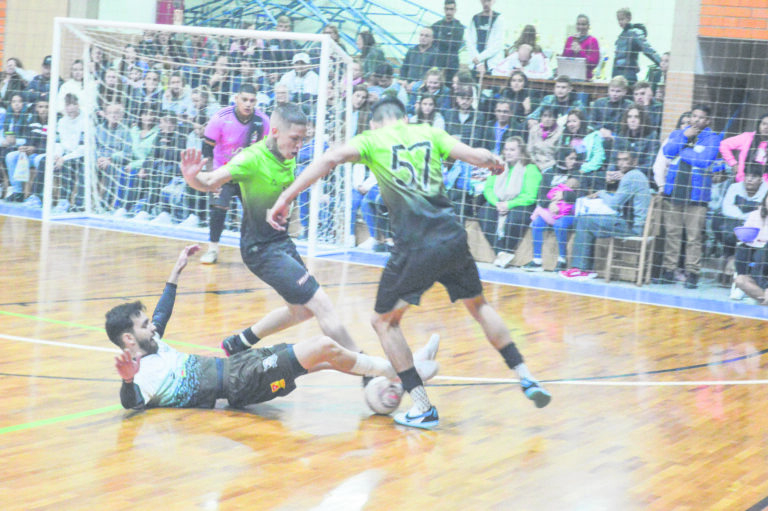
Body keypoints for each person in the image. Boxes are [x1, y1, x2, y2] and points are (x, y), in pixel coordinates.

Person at [266, 97, 552, 429]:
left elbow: (330, 159)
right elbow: (478, 156)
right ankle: (525, 374)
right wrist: (495, 164)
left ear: (374, 123)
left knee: (384, 322)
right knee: (479, 305)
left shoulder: (371, 140)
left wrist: (285, 197)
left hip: (415, 245)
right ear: (405, 117)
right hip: (453, 237)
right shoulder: (429, 132)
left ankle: (422, 406)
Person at [110, 244, 439, 411]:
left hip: (240, 367)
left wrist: (177, 269)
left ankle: (394, 377)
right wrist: (127, 381)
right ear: (129, 338)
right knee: (321, 345)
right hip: (240, 385)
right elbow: (132, 403)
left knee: (325, 359)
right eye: (145, 325)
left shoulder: (154, 344)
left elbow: (163, 311)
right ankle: (405, 374)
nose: (153, 326)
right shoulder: (143, 374)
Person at [180, 103, 375, 370]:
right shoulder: (251, 159)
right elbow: (212, 180)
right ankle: (367, 368)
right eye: (294, 139)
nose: (298, 146)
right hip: (260, 249)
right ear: (274, 132)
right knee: (321, 303)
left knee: (302, 310)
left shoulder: (288, 155)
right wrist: (193, 179)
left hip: (281, 241)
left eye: (302, 139)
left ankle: (239, 342)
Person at [197, 84, 270, 264]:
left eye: (252, 100)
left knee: (254, 213)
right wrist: (210, 177)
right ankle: (213, 249)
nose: (248, 104)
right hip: (224, 171)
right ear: (236, 98)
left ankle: (252, 249)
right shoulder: (221, 117)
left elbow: (267, 152)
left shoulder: (262, 121)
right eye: (244, 99)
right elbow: (207, 148)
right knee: (219, 209)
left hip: (248, 174)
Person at [656, 104, 723, 289]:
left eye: (701, 117)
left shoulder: (712, 139)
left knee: (694, 236)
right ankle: (669, 271)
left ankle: (692, 273)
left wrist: (683, 151)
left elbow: (704, 161)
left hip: (697, 195)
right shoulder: (680, 133)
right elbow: (667, 152)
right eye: (694, 116)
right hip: (675, 190)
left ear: (707, 121)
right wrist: (685, 139)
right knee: (672, 233)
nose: (696, 120)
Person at [559, 150, 651, 281]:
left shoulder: (631, 177)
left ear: (635, 161)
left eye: (625, 160)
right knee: (588, 221)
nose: (621, 163)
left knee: (584, 221)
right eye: (619, 160)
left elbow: (614, 204)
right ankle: (584, 268)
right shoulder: (637, 175)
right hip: (632, 222)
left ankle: (580, 269)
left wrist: (601, 193)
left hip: (632, 227)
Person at [477, 136, 542, 268]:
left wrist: (509, 204)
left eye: (512, 150)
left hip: (521, 204)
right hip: (499, 202)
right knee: (485, 211)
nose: (508, 152)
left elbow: (530, 196)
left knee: (516, 217)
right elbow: (488, 189)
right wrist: (497, 203)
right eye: (506, 149)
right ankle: (501, 252)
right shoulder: (497, 167)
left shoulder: (531, 169)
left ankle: (505, 251)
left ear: (521, 152)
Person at [523, 147, 585, 272]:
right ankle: (537, 260)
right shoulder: (549, 173)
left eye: (575, 159)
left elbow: (582, 195)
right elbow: (541, 196)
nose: (574, 161)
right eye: (570, 158)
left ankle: (562, 259)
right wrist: (550, 204)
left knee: (560, 224)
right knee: (537, 223)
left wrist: (565, 196)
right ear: (562, 158)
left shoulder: (577, 174)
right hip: (551, 210)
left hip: (570, 212)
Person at [733, 194, 768, 304]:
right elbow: (747, 233)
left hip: (763, 252)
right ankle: (764, 297)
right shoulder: (754, 214)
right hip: (754, 247)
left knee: (761, 254)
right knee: (740, 280)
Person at [612, 7, 661, 84]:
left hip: (628, 73)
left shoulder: (635, 33)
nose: (620, 22)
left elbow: (648, 49)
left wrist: (661, 62)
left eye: (622, 19)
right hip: (618, 72)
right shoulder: (622, 35)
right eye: (618, 20)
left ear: (629, 18)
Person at [719, 113, 768, 182]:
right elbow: (724, 144)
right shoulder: (747, 137)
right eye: (764, 124)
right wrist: (733, 163)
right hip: (742, 181)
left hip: (764, 186)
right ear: (759, 125)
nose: (766, 127)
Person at [465, 0, 505, 76]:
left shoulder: (498, 19)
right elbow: (470, 42)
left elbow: (497, 45)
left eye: (488, 1)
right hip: (475, 64)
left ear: (493, 1)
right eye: (484, 1)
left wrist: (480, 58)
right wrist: (478, 63)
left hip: (492, 65)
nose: (486, 4)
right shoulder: (475, 19)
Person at [587, 75, 633, 140]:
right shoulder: (599, 103)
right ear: (608, 90)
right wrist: (600, 129)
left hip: (620, 138)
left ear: (625, 92)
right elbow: (590, 123)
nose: (614, 94)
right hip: (599, 134)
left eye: (618, 91)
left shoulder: (630, 106)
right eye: (612, 90)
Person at [430, 0, 464, 82]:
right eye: (447, 9)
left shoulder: (459, 27)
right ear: (444, 10)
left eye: (451, 9)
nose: (449, 12)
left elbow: (455, 46)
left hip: (452, 62)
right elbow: (432, 45)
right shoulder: (436, 25)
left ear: (455, 10)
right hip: (438, 61)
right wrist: (448, 40)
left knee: (451, 86)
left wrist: (440, 40)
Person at [399, 27, 439, 92]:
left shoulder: (436, 54)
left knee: (415, 88)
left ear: (432, 39)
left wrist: (417, 83)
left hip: (425, 84)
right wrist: (403, 81)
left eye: (426, 36)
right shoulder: (411, 51)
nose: (423, 37)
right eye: (421, 35)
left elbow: (434, 74)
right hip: (407, 83)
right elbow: (404, 68)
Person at [562, 14, 600, 80]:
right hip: (569, 76)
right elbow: (564, 59)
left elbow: (593, 63)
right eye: (578, 24)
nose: (581, 27)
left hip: (585, 78)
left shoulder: (593, 41)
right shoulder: (570, 39)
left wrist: (580, 51)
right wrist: (571, 50)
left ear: (588, 26)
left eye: (583, 24)